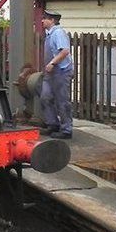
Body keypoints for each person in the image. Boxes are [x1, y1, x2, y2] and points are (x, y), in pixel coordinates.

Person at [41, 9, 74, 139]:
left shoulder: (58, 33)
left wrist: (53, 63)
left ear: (52, 21)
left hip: (61, 71)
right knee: (45, 97)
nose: (43, 20)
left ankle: (66, 129)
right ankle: (53, 124)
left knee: (62, 101)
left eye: (45, 18)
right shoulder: (49, 34)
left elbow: (65, 51)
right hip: (50, 73)